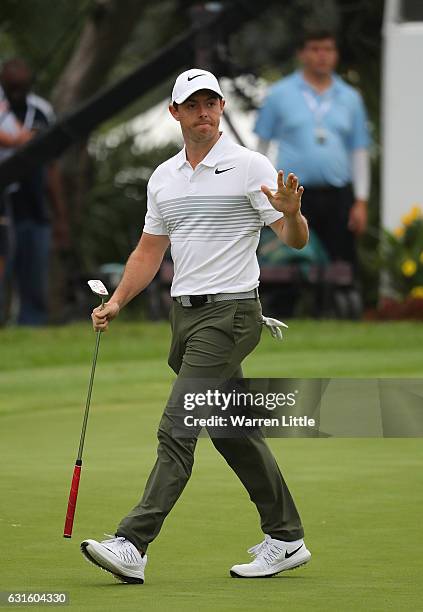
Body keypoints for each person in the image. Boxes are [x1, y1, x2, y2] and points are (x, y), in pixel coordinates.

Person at [81, 68, 311, 584]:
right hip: (185, 316)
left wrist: (293, 215)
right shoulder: (164, 178)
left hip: (230, 315)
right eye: (194, 104)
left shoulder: (250, 166)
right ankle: (287, 536)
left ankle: (132, 543)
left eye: (212, 102)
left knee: (176, 427)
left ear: (222, 108)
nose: (205, 111)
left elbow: (293, 238)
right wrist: (117, 301)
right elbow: (148, 250)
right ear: (176, 113)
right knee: (232, 430)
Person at [255, 29, 370, 275]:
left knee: (341, 262)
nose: (322, 56)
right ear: (302, 54)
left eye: (328, 49)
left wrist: (360, 201)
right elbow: (261, 146)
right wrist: (260, 189)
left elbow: (358, 151)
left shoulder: (350, 98)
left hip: (338, 194)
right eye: (315, 49)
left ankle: (338, 312)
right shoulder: (279, 94)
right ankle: (286, 310)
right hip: (293, 194)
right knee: (290, 255)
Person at [0, 58, 68, 325]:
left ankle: (32, 326)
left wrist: (59, 215)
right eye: (11, 80)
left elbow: (52, 166)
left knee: (34, 277)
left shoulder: (41, 110)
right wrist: (20, 140)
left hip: (33, 205)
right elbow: (14, 139)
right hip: (3, 205)